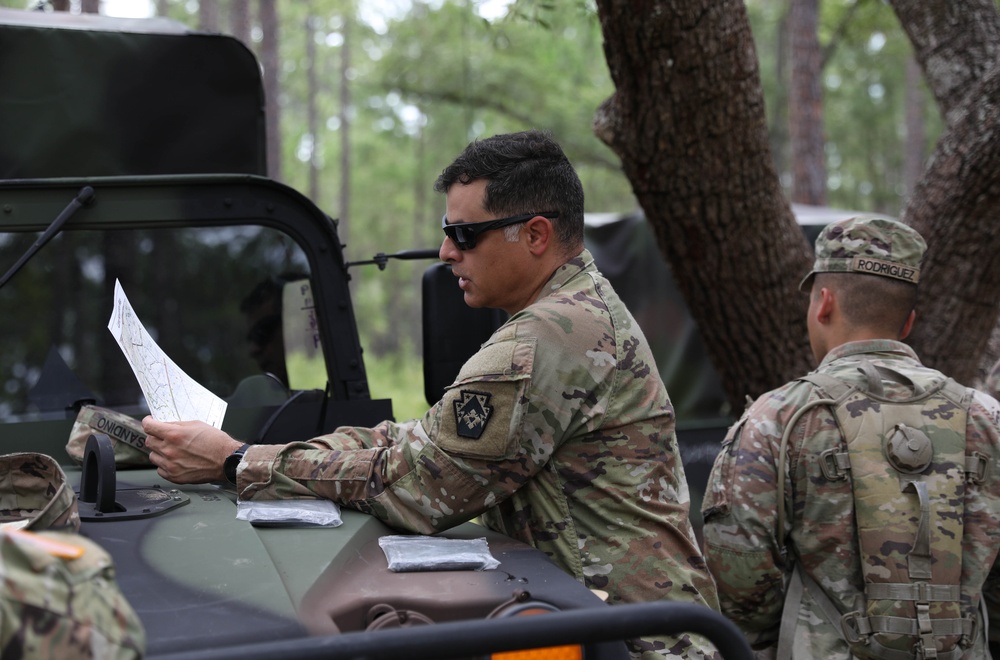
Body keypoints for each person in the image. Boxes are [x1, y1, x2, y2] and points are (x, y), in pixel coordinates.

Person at [142, 129, 721, 658]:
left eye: (464, 235)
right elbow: (417, 440)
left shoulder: (547, 337)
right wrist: (257, 449)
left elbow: (418, 487)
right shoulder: (570, 311)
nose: (446, 253)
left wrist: (238, 462)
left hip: (635, 642)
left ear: (537, 235)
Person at [701, 216, 1000, 659]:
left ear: (823, 304)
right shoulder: (987, 418)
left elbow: (737, 573)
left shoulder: (779, 418)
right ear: (907, 322)